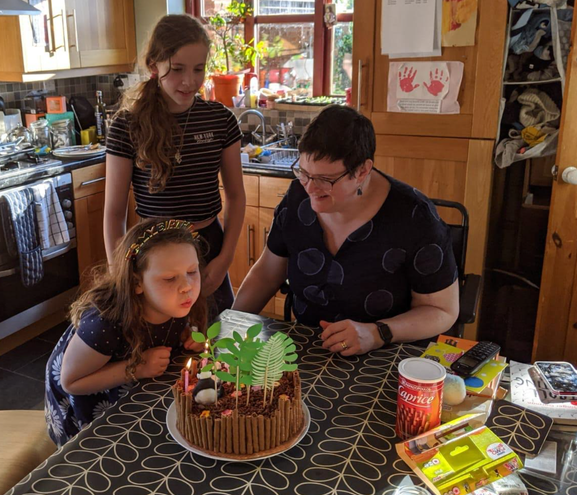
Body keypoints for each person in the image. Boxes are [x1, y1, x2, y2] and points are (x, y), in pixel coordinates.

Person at [233, 105, 459, 355]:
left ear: (362, 171)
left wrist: (377, 333)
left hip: (384, 353)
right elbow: (266, 274)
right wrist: (229, 326)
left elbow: (442, 311)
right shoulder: (298, 197)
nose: (310, 188)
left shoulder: (414, 217)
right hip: (307, 348)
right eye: (304, 173)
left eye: (326, 180)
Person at [104, 14, 245, 316]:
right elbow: (114, 212)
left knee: (217, 345)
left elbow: (235, 195)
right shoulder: (126, 126)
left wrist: (224, 260)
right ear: (154, 66)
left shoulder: (221, 120)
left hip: (208, 247)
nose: (190, 81)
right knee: (158, 351)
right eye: (177, 69)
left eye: (199, 69)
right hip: (152, 252)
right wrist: (121, 276)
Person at [44, 219, 207, 446]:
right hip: (86, 412)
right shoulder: (105, 325)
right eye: (170, 278)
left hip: (131, 398)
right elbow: (71, 382)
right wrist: (137, 368)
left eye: (192, 271)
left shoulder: (173, 302)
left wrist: (188, 336)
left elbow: (172, 330)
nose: (187, 285)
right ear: (136, 283)